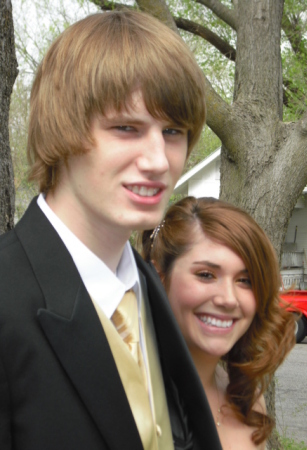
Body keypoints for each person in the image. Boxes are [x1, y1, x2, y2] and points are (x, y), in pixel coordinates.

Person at [0, 11, 222, 450]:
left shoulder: (145, 286)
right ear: (61, 128)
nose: (159, 160)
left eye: (173, 131)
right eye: (126, 128)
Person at [142, 196, 296, 449]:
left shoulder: (248, 399)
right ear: (160, 279)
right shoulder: (129, 397)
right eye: (206, 275)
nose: (228, 299)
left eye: (245, 280)